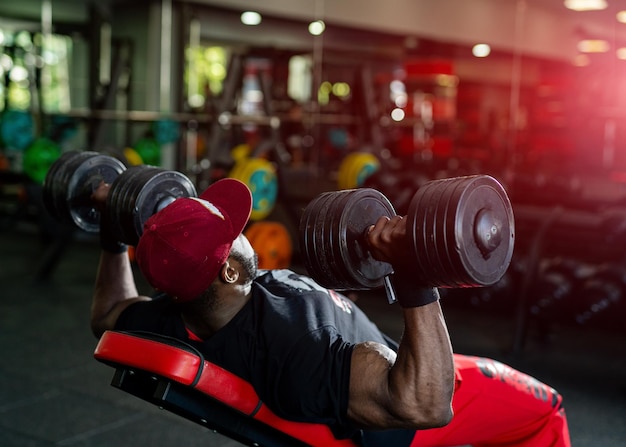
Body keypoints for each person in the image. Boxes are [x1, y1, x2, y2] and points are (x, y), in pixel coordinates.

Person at [90, 178, 571, 447]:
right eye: (232, 236)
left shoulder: (174, 316)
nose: (245, 231)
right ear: (230, 273)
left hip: (373, 359)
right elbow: (425, 406)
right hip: (415, 391)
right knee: (545, 411)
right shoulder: (302, 351)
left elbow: (110, 310)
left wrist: (111, 230)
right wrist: (413, 273)